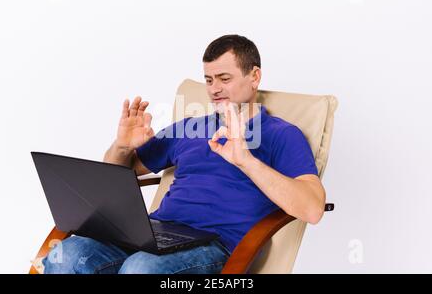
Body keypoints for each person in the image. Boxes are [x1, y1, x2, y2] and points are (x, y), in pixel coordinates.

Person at [43, 34, 326, 274]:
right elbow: (119, 172)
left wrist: (246, 161)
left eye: (224, 78)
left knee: (141, 269)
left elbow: (312, 209)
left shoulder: (281, 134)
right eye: (209, 79)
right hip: (154, 233)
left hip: (216, 246)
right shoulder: (190, 127)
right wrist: (122, 146)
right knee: (66, 253)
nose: (214, 89)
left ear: (254, 76)